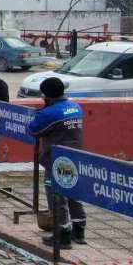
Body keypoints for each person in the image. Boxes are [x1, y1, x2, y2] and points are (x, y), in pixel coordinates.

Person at [27, 77, 86, 248]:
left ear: (45, 95)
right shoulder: (75, 107)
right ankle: (79, 231)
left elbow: (33, 130)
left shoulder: (49, 113)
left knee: (56, 197)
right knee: (74, 193)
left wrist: (41, 112)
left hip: (55, 160)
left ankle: (62, 235)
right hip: (75, 156)